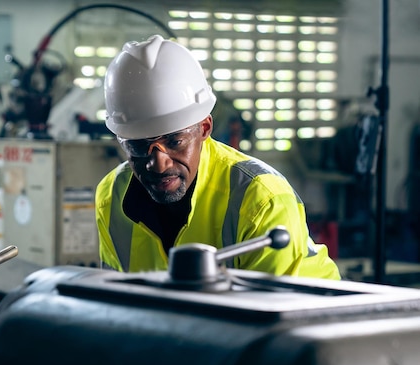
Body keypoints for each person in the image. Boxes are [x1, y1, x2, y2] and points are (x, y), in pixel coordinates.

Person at [95, 34, 340, 280]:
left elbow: (273, 312)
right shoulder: (111, 196)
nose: (159, 163)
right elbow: (116, 298)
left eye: (175, 142)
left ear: (204, 128)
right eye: (138, 146)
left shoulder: (261, 200)